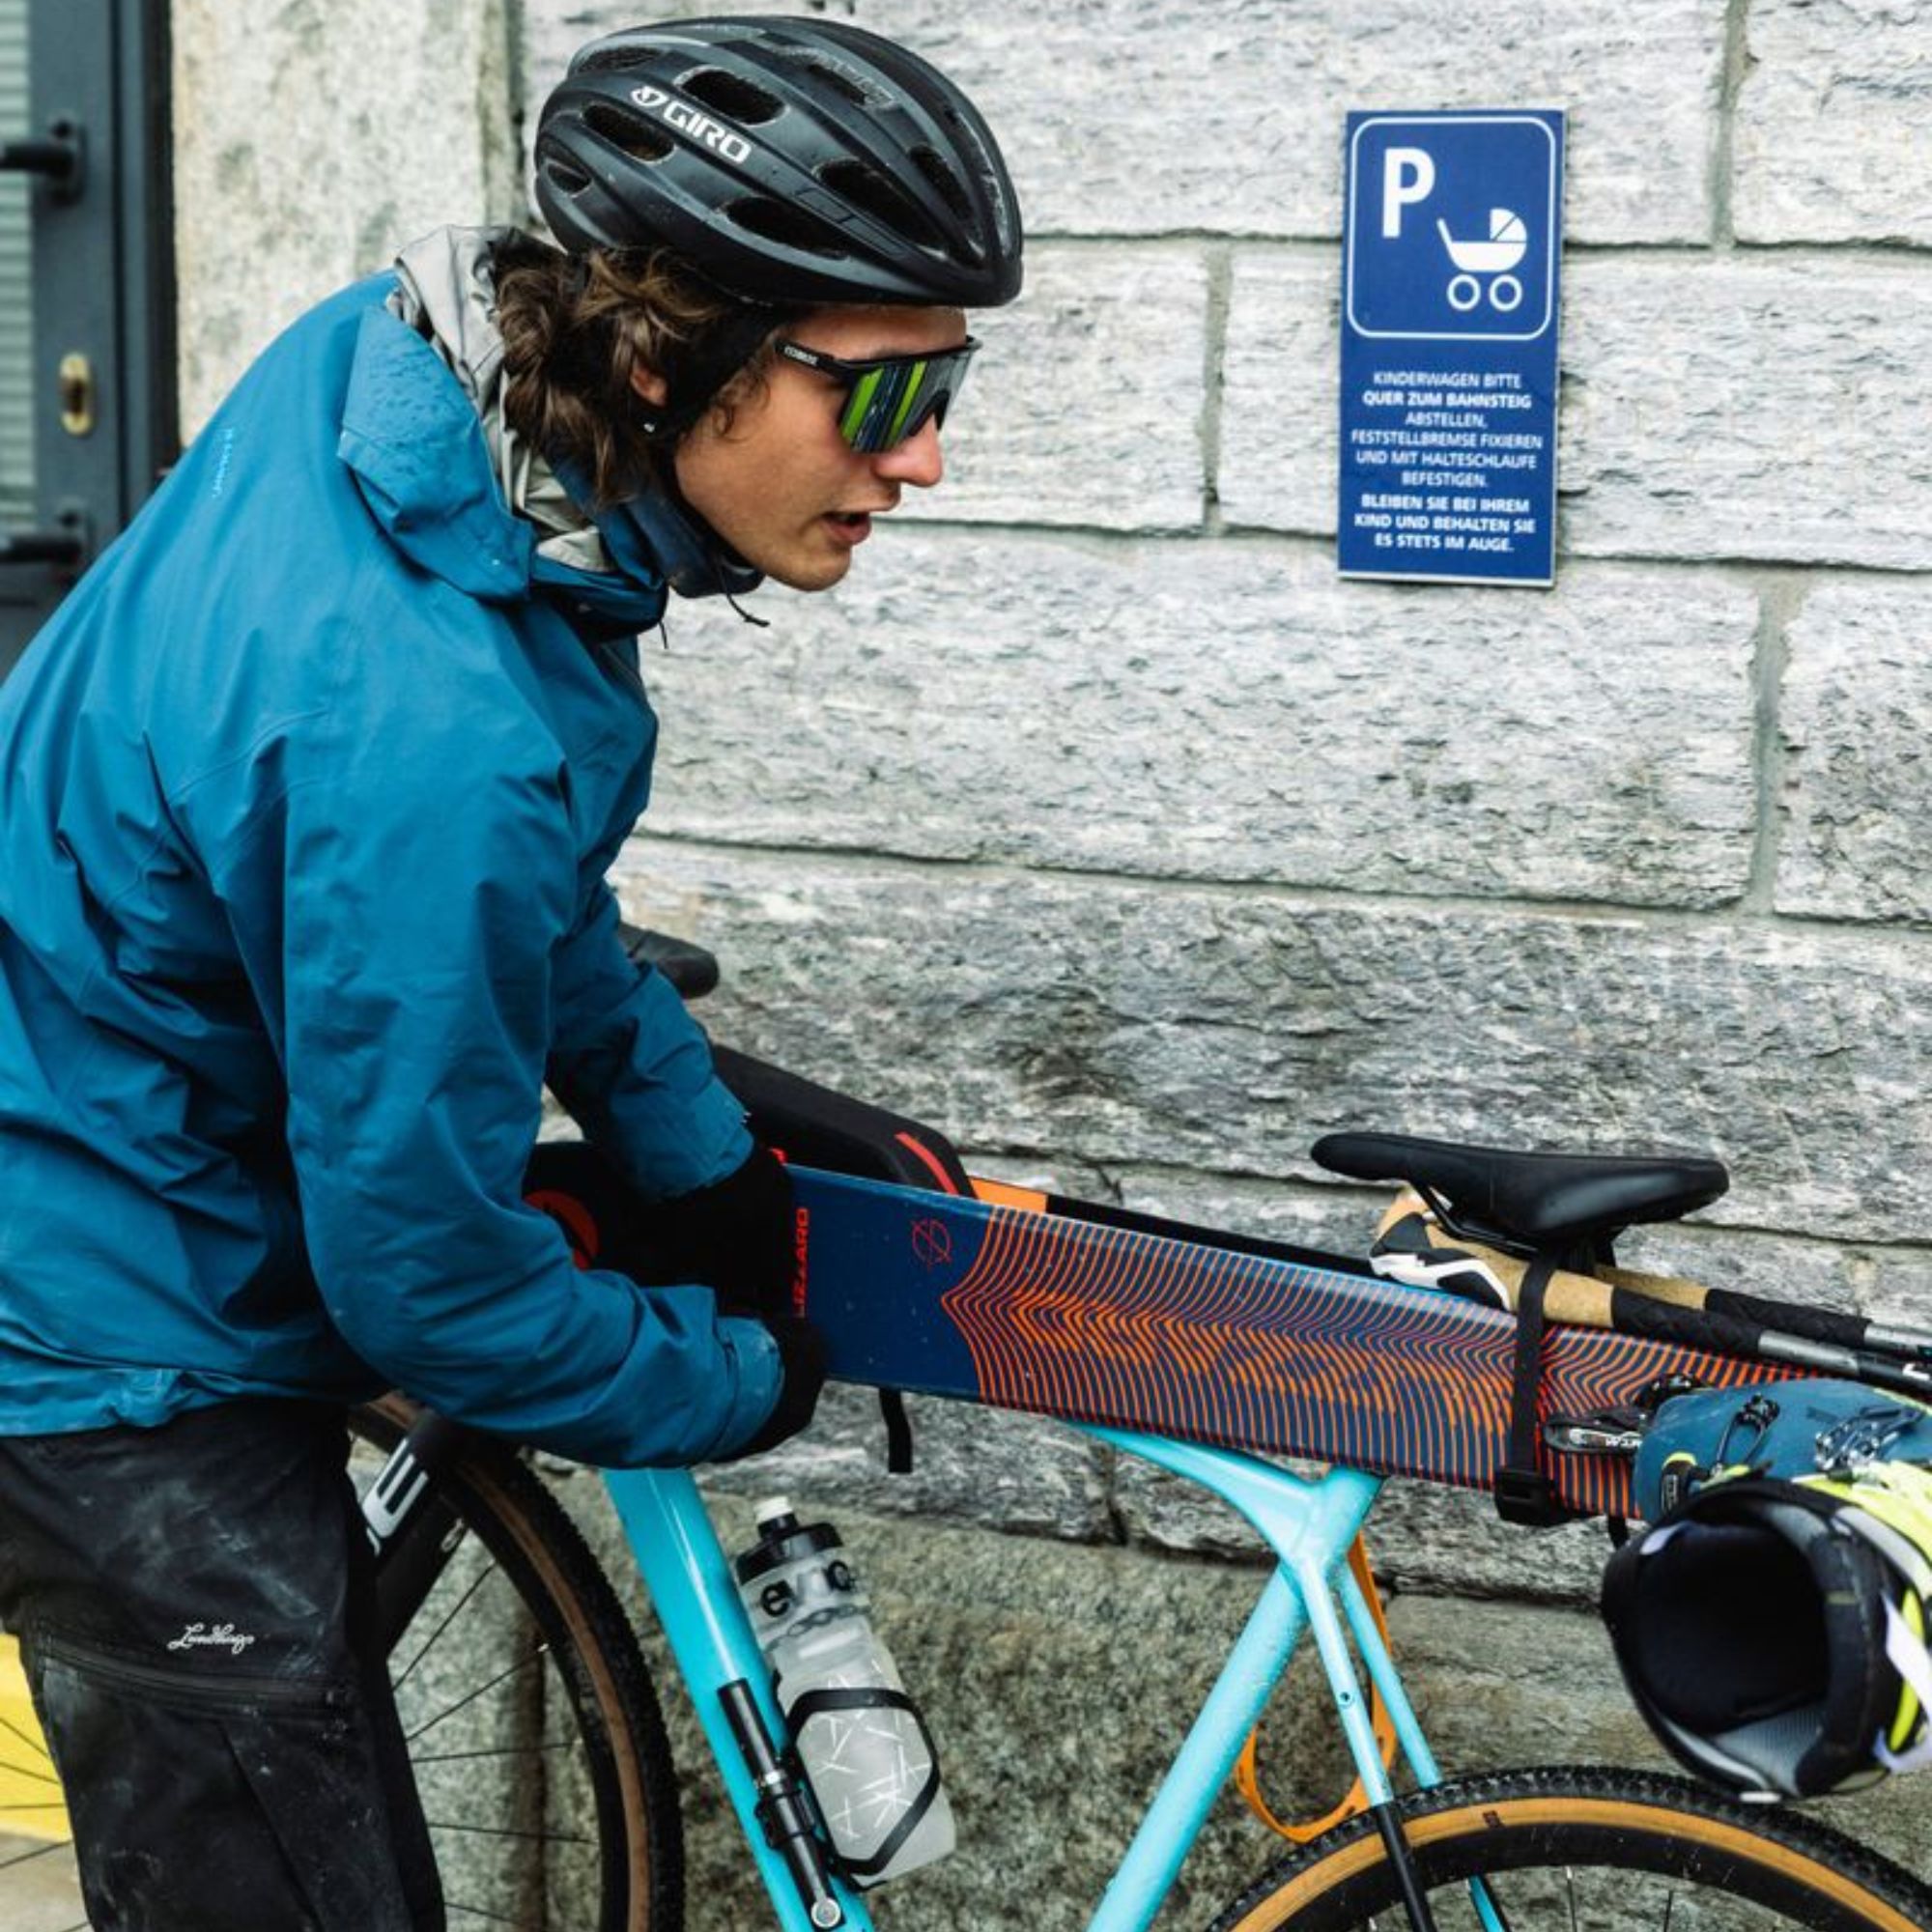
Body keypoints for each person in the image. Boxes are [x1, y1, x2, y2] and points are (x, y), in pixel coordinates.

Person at [0, 16, 1022, 1929]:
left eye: (947, 381)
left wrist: (690, 1146)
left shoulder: (411, 395)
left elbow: (521, 879)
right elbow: (434, 1284)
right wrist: (738, 1377)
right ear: (659, 358)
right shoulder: (423, 733)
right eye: (881, 393)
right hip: (105, 1303)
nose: (926, 457)